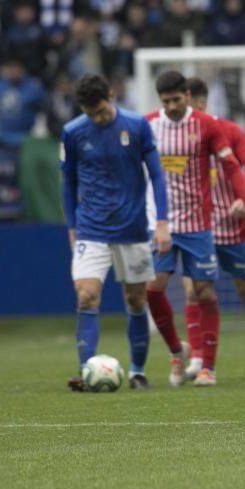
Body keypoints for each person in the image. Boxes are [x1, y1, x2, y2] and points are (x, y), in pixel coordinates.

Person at [143, 71, 245, 387]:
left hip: (199, 225)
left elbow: (233, 168)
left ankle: (208, 367)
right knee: (152, 289)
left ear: (187, 95)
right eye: (165, 101)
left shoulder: (207, 125)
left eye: (176, 99)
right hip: (161, 224)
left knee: (205, 291)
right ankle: (176, 351)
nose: (171, 106)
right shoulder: (149, 125)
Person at [61, 74, 171, 391]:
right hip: (91, 229)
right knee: (86, 294)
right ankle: (86, 372)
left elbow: (157, 176)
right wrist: (71, 225)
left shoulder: (137, 126)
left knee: (136, 300)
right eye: (91, 113)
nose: (98, 118)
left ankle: (137, 372)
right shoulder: (73, 132)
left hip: (133, 228)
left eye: (102, 110)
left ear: (112, 95)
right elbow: (67, 182)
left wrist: (161, 222)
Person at [183, 77, 245, 386]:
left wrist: (244, 199)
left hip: (234, 228)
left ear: (201, 103)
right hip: (198, 227)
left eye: (187, 105)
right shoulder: (177, 137)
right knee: (194, 290)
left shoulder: (230, 131)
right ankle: (200, 360)